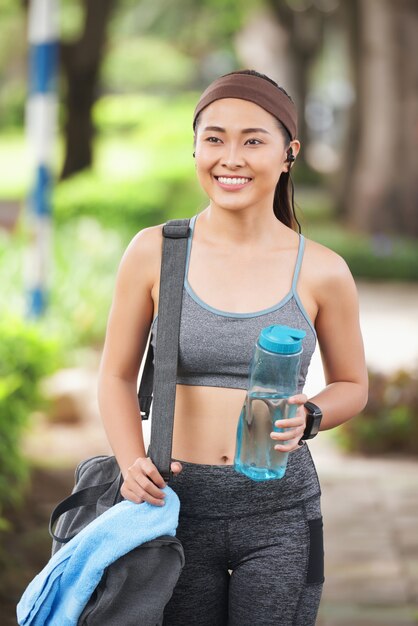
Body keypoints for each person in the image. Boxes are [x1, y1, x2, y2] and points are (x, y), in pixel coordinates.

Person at [97, 69, 368, 626]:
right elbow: (116, 377)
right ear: (195, 148)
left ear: (289, 153)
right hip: (173, 509)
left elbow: (354, 385)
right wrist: (130, 462)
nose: (231, 157)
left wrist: (312, 414)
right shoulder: (155, 252)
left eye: (253, 140)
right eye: (214, 138)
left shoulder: (322, 270)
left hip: (281, 514)